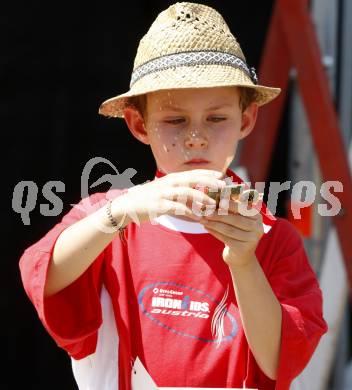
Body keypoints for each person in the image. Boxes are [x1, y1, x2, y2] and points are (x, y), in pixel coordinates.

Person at [19, 2, 328, 389]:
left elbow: (281, 360)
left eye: (216, 118)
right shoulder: (111, 218)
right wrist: (119, 214)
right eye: (174, 120)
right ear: (138, 124)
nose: (195, 136)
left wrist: (245, 262)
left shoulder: (270, 237)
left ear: (246, 121)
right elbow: (43, 278)